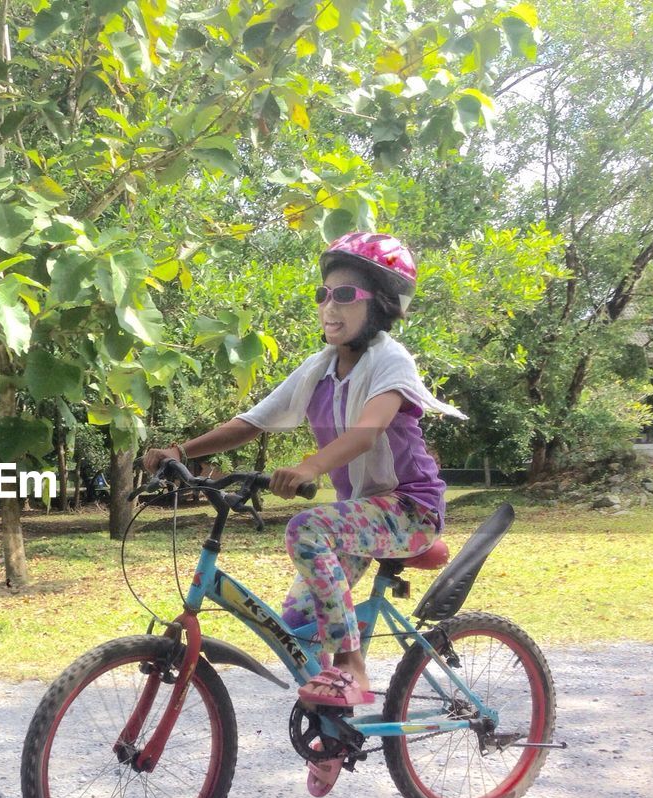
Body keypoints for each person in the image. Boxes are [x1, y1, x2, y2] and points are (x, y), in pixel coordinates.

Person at [142, 232, 466, 710]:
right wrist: (180, 451)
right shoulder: (319, 368)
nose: (329, 306)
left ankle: (352, 668)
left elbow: (367, 431)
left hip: (409, 509)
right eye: (323, 294)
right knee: (298, 624)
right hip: (361, 515)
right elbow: (250, 422)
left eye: (345, 295)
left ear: (379, 304)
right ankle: (332, 729)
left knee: (306, 527)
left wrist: (308, 467)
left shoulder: (391, 362)